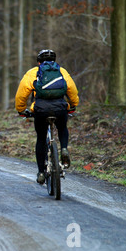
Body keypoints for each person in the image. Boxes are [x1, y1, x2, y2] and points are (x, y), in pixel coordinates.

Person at [15, 49, 79, 185]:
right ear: (54, 61)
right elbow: (72, 90)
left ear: (39, 62)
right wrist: (73, 105)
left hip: (41, 110)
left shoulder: (33, 73)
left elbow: (22, 94)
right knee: (62, 128)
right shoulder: (62, 71)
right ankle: (64, 149)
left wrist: (21, 110)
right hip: (60, 108)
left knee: (41, 138)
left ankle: (41, 173)